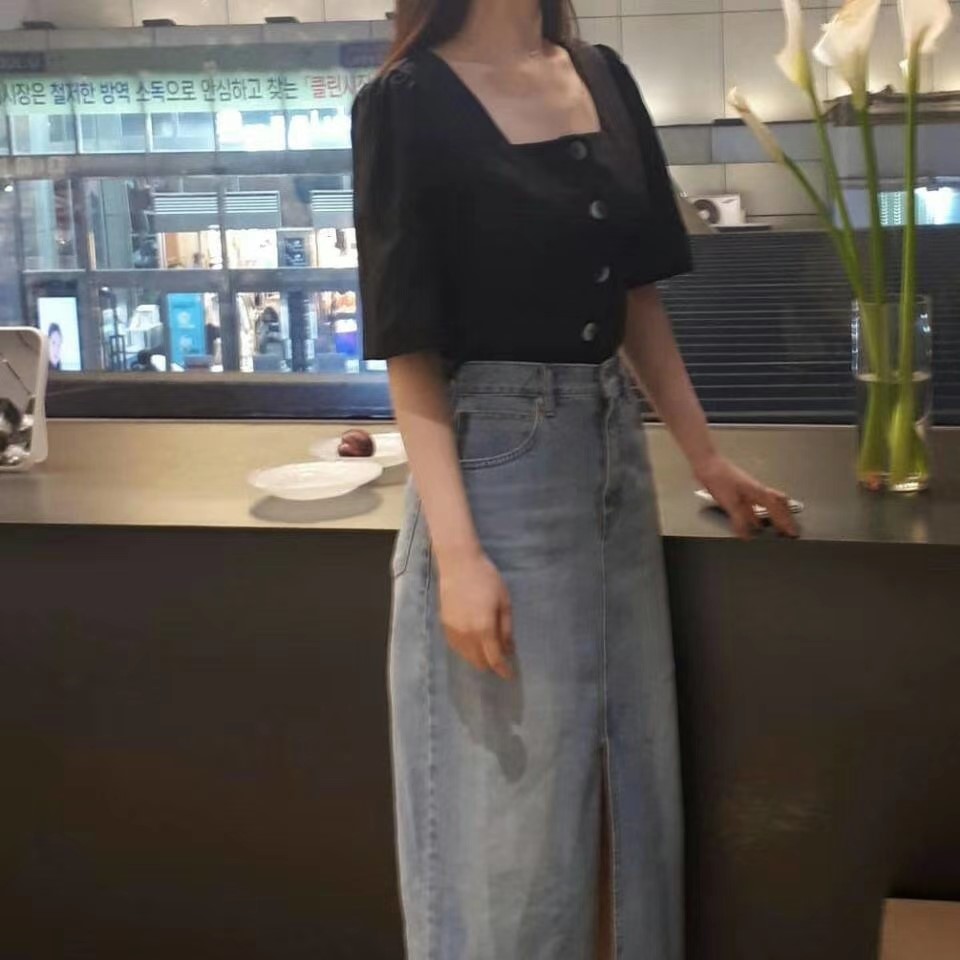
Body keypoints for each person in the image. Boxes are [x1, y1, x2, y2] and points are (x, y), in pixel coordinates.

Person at [352, 2, 799, 957]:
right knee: (503, 824)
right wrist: (458, 557)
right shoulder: (404, 99)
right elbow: (408, 349)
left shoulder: (602, 75)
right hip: (495, 470)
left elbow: (637, 297)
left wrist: (704, 456)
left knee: (637, 789)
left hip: (613, 456)